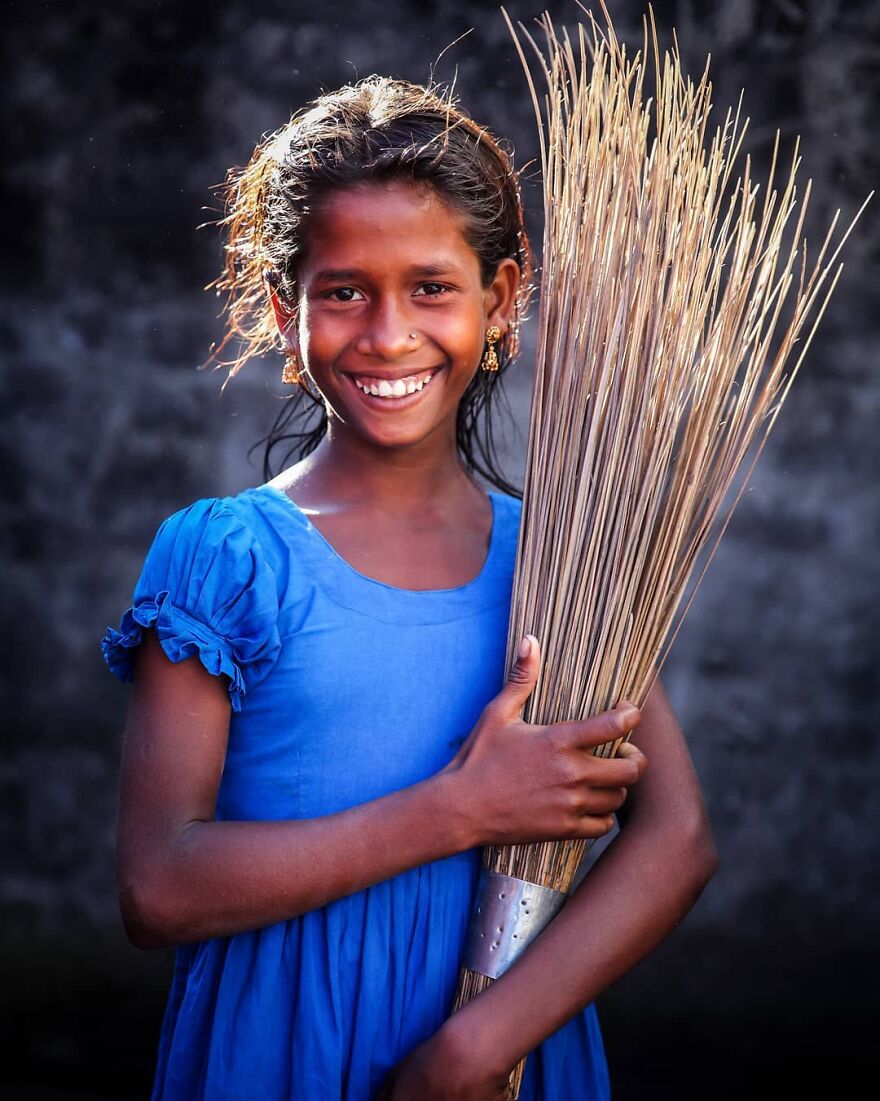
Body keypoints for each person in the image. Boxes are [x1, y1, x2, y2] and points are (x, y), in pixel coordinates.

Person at [101, 76, 717, 1101]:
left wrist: (476, 1049)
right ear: (282, 313)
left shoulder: (563, 562)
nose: (388, 334)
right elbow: (157, 887)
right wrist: (461, 810)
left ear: (501, 299)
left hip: (503, 1056)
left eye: (431, 287)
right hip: (283, 1050)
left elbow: (677, 839)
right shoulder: (226, 556)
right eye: (343, 290)